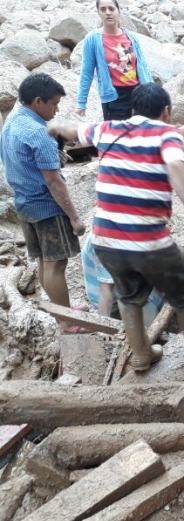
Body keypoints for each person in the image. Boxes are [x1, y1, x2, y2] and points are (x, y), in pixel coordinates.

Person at [48, 83, 184, 370]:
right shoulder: (166, 133)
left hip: (106, 240)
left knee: (128, 296)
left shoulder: (109, 129)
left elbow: (75, 131)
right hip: (148, 241)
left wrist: (55, 128)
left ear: (134, 110)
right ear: (166, 111)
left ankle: (141, 355)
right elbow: (176, 167)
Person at [0, 74, 85, 330]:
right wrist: (74, 217)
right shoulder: (40, 133)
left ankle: (63, 311)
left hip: (24, 203)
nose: (56, 109)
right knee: (56, 265)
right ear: (38, 101)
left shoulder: (11, 123)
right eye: (54, 104)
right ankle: (67, 322)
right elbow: (54, 181)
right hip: (47, 207)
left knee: (42, 262)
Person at [77, 0, 153, 121]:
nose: (108, 12)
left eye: (111, 9)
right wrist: (81, 102)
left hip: (139, 94)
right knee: (118, 137)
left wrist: (152, 92)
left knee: (141, 134)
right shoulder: (92, 39)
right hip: (114, 97)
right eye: (103, 9)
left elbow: (142, 66)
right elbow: (87, 72)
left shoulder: (130, 36)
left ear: (118, 11)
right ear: (98, 13)